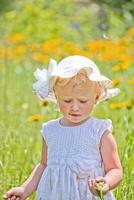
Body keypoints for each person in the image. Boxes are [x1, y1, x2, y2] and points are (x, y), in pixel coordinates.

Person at [3, 55, 123, 200]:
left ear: (96, 98)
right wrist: (24, 189)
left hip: (87, 195)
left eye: (83, 101)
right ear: (56, 97)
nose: (75, 107)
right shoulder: (50, 130)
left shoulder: (99, 131)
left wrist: (106, 183)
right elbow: (44, 165)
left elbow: (115, 169)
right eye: (67, 100)